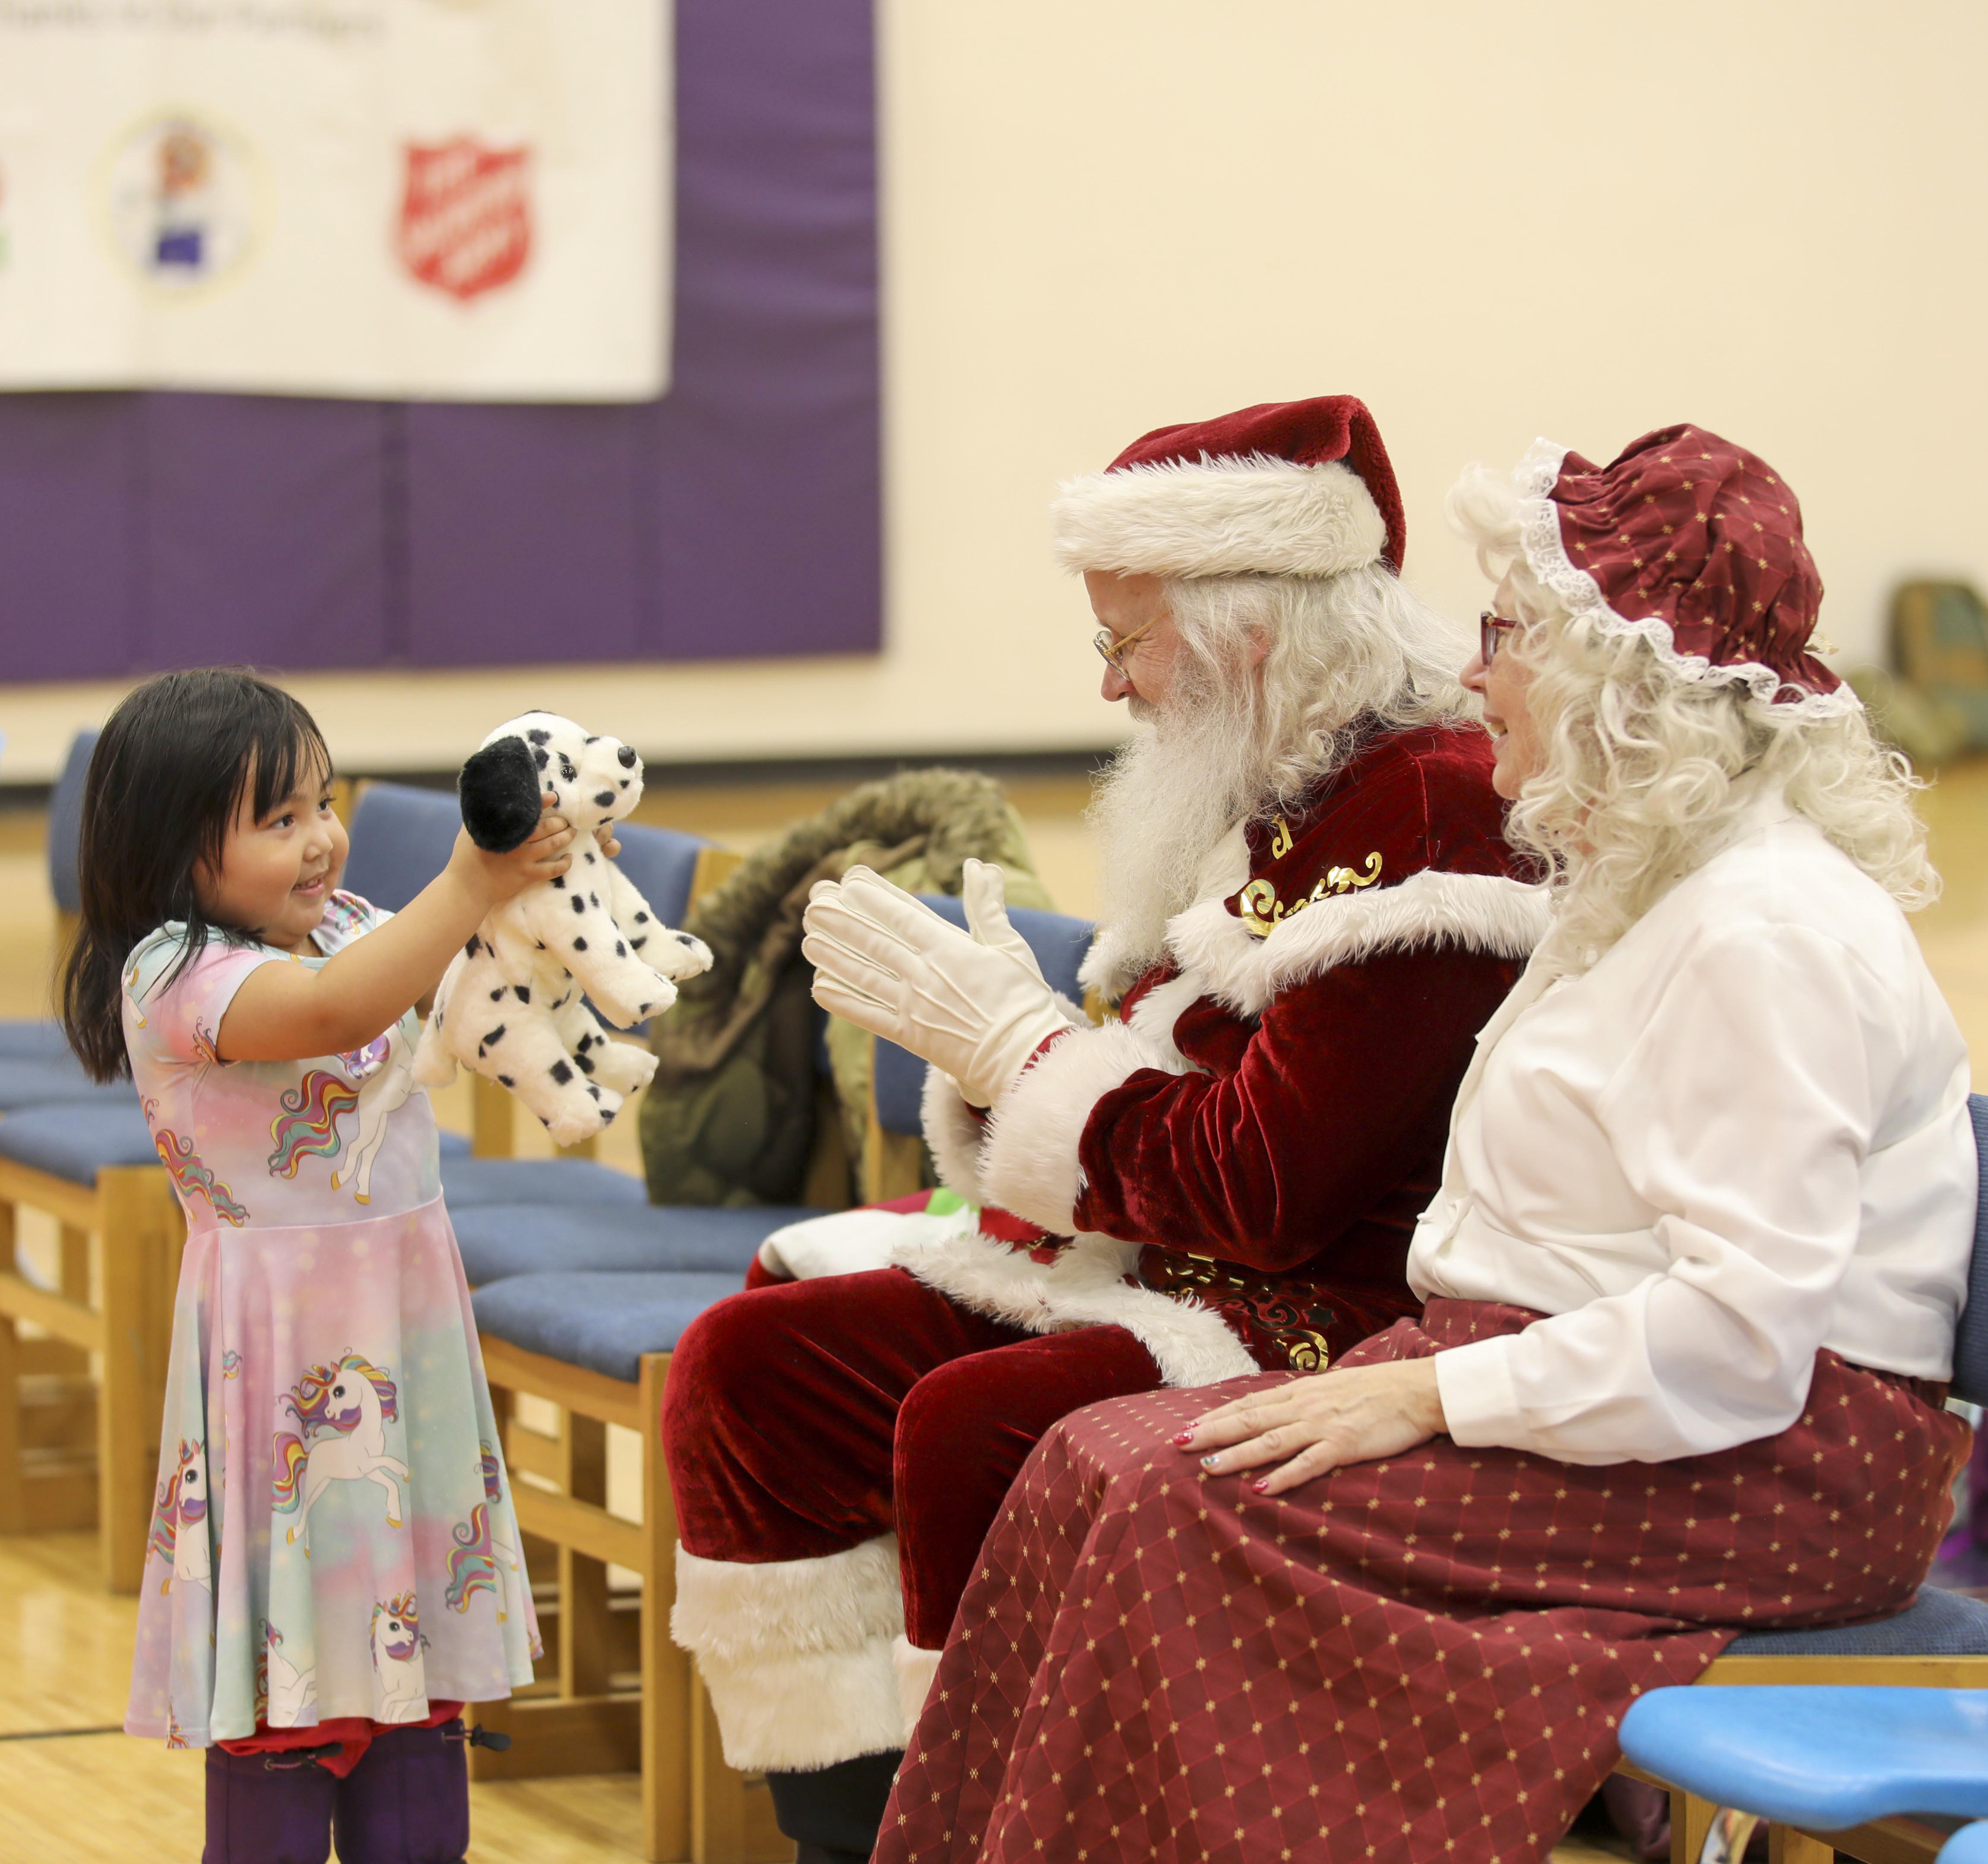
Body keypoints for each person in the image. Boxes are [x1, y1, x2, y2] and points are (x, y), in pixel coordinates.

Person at [869, 425, 1980, 1864]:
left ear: (1617, 679)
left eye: (1508, 633)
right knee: (1089, 1462)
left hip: (1781, 1462)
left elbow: (1740, 1343)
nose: (1472, 670)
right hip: (1621, 1387)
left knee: (1179, 1510)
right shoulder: (1655, 880)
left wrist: (1432, 1395)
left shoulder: (1765, 929)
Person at [661, 397, 1550, 1861]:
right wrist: (1008, 1047)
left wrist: (1017, 1052)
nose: (1115, 687)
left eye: (1124, 642)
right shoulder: (1276, 775)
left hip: (1335, 1316)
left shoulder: (1434, 816)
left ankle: (988, 1828)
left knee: (970, 1425)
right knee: (755, 1370)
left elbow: (1270, 1189)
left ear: (1242, 630)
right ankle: (853, 1832)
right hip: (1157, 1265)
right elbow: (1153, 1075)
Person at [60, 667, 568, 1864]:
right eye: (277, 820)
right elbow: (340, 1011)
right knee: (287, 1701)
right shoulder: (176, 974)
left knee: (418, 1697)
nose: (321, 839)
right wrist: (465, 880)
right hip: (283, 1358)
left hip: (405, 1331)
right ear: (174, 850)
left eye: (322, 802)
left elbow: (435, 984)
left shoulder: (341, 923)